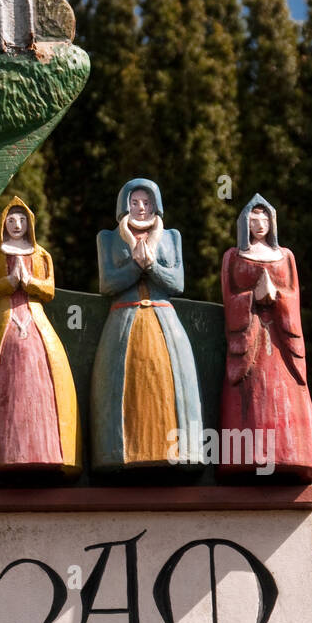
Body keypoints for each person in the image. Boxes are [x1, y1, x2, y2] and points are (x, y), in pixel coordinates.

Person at [0, 199, 80, 481]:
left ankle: (47, 451)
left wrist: (28, 282)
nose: (17, 225)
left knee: (44, 382)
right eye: (11, 220)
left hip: (37, 322)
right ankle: (0, 454)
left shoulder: (41, 255)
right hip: (4, 322)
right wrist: (9, 282)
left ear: (30, 223)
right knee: (2, 382)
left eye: (22, 220)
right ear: (3, 224)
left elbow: (49, 288)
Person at [90, 179, 202, 470]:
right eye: (135, 202)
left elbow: (176, 283)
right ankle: (118, 452)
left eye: (147, 202)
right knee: (122, 386)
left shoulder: (171, 236)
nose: (141, 208)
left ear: (156, 205)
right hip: (123, 320)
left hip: (164, 319)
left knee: (169, 383)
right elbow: (108, 284)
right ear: (124, 205)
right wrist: (136, 265)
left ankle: (178, 449)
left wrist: (151, 266)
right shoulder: (108, 238)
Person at [218, 195, 312, 480]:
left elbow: (294, 295)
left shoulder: (286, 256)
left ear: (272, 222)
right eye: (254, 219)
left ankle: (292, 453)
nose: (260, 224)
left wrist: (277, 297)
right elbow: (229, 297)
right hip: (249, 337)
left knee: (284, 392)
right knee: (251, 393)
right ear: (244, 223)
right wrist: (252, 297)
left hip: (279, 338)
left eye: (265, 219)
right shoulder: (233, 256)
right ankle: (245, 455)